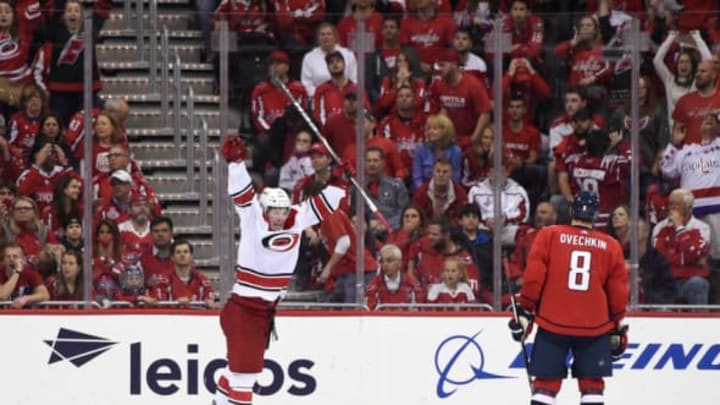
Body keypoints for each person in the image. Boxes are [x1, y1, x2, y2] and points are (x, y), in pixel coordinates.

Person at [214, 135, 345, 405]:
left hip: (263, 311)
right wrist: (236, 163)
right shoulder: (253, 220)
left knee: (234, 371)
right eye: (274, 211)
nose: (279, 216)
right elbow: (242, 195)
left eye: (283, 211)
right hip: (244, 309)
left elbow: (323, 205)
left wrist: (338, 180)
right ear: (265, 210)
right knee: (244, 377)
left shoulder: (297, 219)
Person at [509, 191, 628, 405]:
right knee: (592, 385)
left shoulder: (549, 234)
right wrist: (617, 324)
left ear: (572, 210)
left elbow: (534, 278)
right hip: (595, 325)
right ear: (595, 214)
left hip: (553, 322)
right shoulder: (611, 245)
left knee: (545, 384)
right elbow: (618, 293)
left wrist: (526, 309)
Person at [365, 244, 424, 310]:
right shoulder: (374, 285)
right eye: (382, 261)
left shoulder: (412, 284)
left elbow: (419, 310)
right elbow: (370, 312)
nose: (385, 264)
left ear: (399, 263)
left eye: (389, 261)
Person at [166, 239, 217, 309]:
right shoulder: (164, 280)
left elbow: (210, 299)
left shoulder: (202, 280)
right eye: (178, 252)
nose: (182, 255)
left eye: (185, 252)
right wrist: (176, 303)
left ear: (191, 256)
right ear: (172, 257)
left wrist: (210, 303)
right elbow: (158, 304)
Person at [0, 243, 50, 308]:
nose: (11, 259)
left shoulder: (30, 274)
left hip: (25, 315)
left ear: (22, 259)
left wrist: (25, 299)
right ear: (3, 260)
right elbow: (2, 296)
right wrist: (17, 272)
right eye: (8, 256)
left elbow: (45, 295)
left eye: (15, 256)